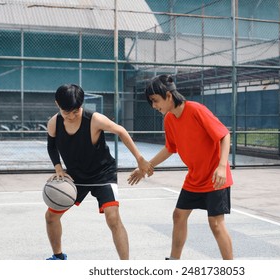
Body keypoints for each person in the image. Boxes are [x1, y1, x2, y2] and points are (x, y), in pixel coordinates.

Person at [128, 74, 234, 260]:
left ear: (169, 96)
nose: (154, 106)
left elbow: (224, 135)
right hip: (195, 178)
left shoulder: (196, 110)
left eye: (155, 101)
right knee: (178, 216)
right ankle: (174, 262)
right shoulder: (169, 119)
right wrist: (146, 166)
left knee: (216, 224)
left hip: (215, 177)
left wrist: (222, 166)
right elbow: (171, 148)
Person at [45, 83, 152, 260]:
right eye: (66, 112)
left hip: (102, 174)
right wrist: (58, 168)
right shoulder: (54, 123)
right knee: (50, 216)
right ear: (58, 104)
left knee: (113, 218)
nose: (71, 116)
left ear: (81, 105)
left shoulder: (94, 119)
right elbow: (51, 146)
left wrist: (139, 159)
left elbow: (121, 131)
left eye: (75, 111)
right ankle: (58, 257)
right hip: (75, 176)